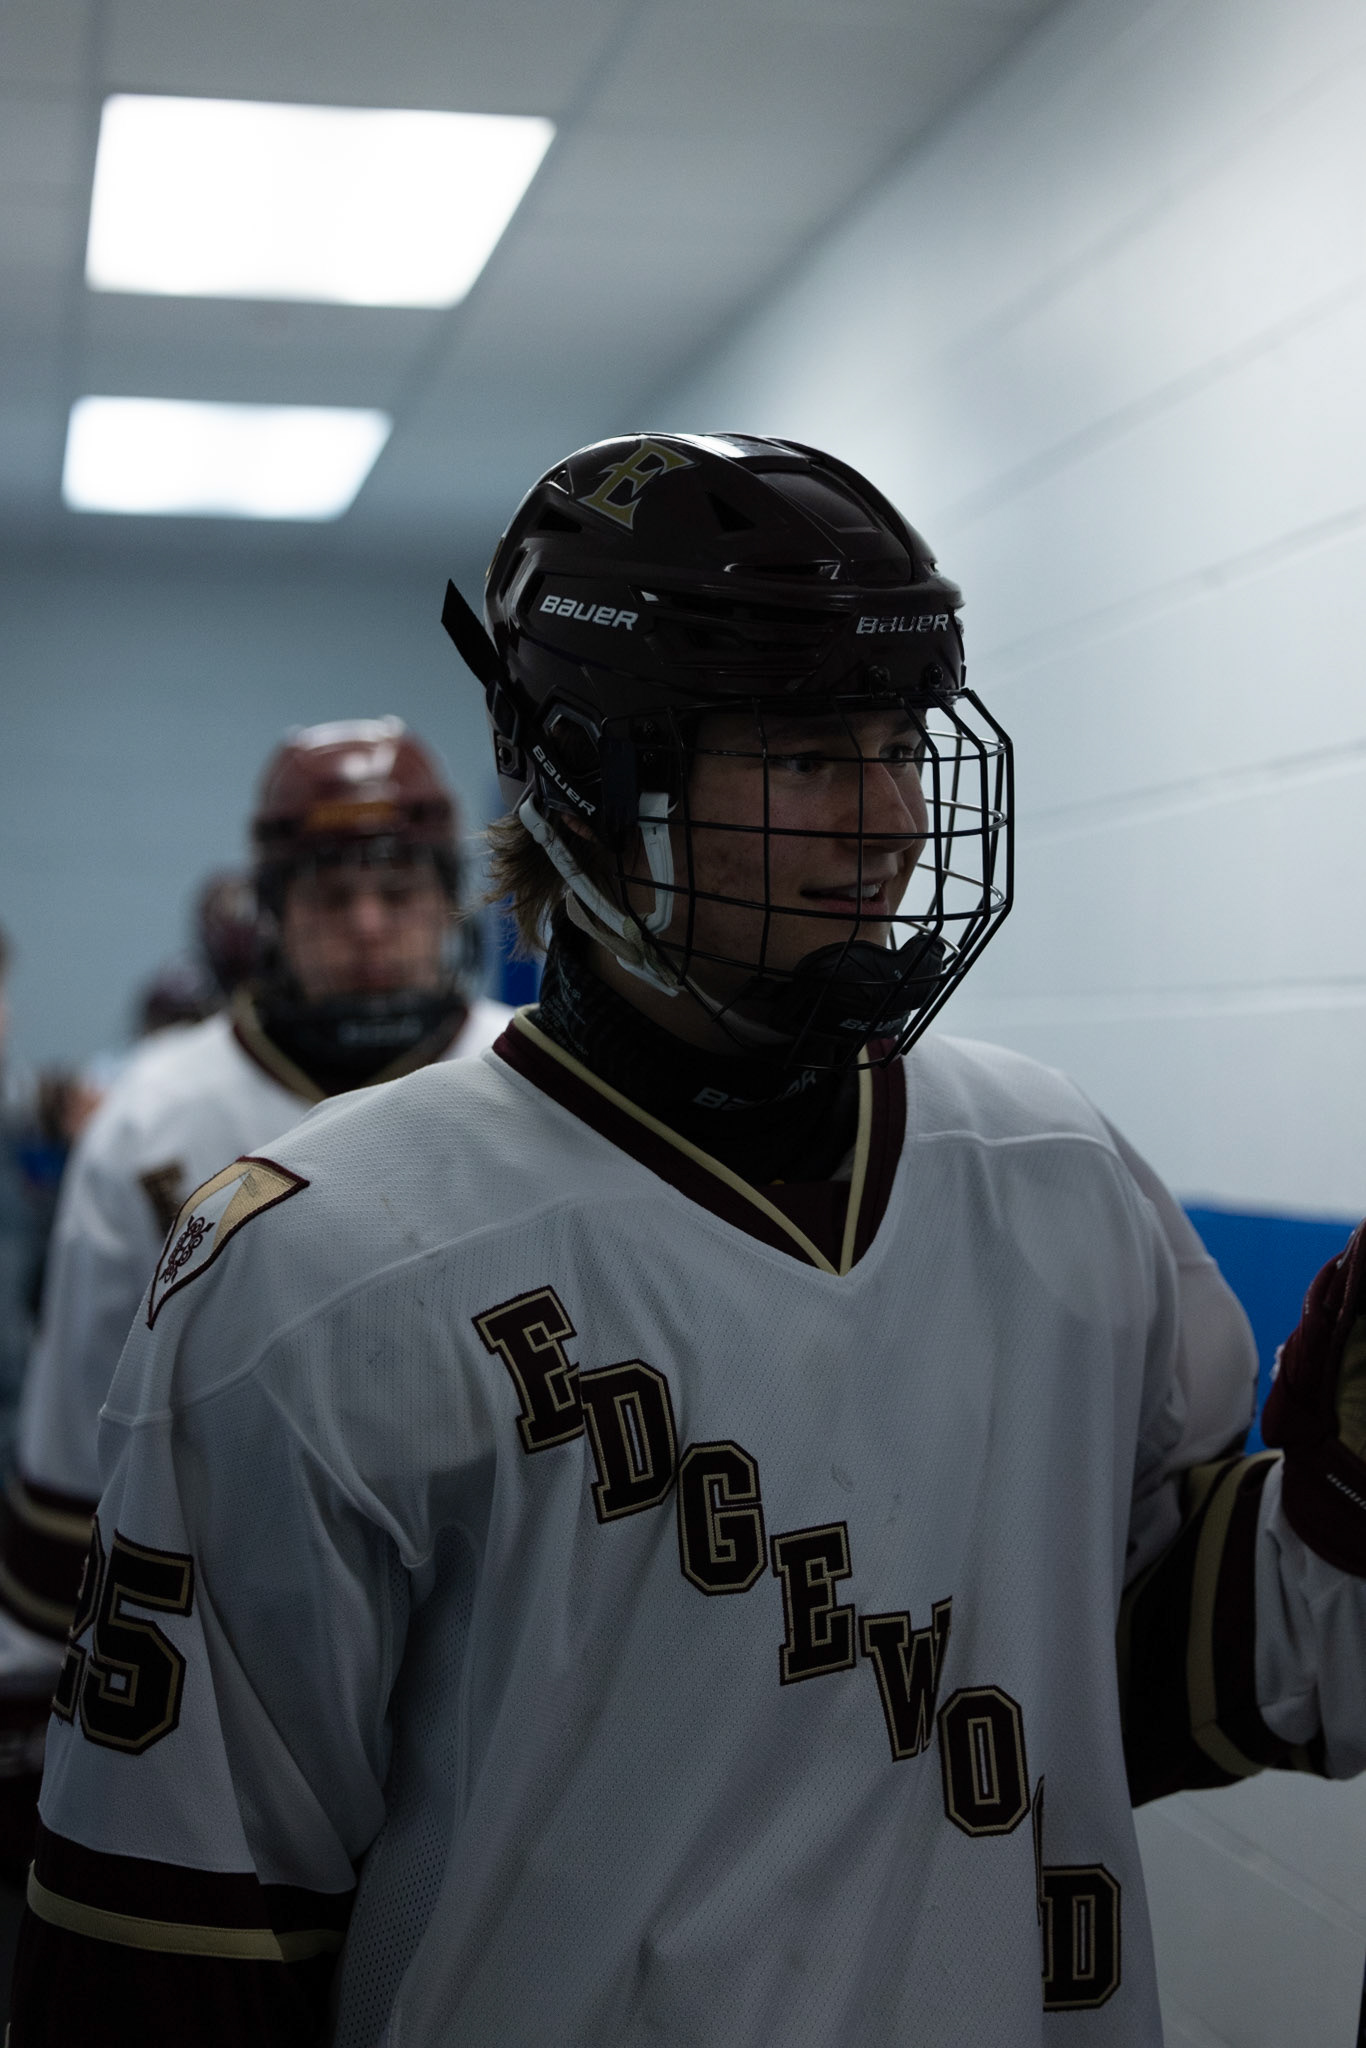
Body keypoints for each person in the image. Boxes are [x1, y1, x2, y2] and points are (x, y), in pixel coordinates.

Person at [10, 436, 1365, 2045]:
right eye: (804, 758)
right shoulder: (316, 1266)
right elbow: (174, 1939)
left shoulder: (1057, 1169)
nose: (887, 824)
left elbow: (1147, 1668)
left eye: (898, 746)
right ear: (586, 780)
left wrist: (1334, 1522)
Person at [0, 718, 508, 1882]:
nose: (369, 924)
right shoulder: (152, 1118)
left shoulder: (540, 1081)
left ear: (449, 901)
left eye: (398, 891)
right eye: (333, 895)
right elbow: (79, 1438)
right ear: (273, 911)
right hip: (220, 1665)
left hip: (497, 1648)